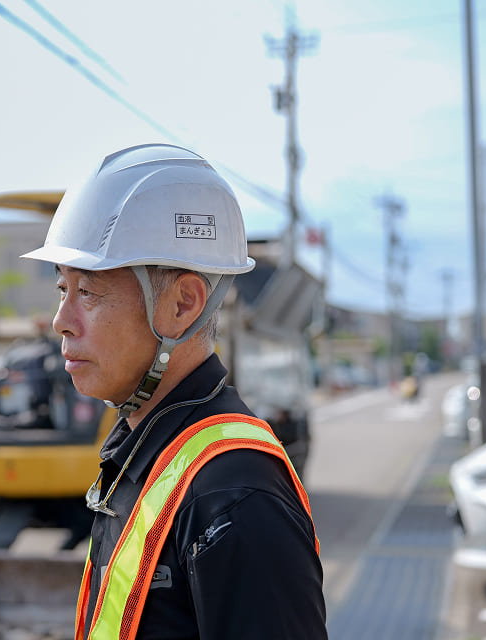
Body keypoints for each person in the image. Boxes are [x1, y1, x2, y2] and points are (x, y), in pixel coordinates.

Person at [22, 144, 327, 639]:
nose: (61, 321)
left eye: (88, 291)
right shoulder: (147, 455)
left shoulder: (235, 494)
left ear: (183, 305)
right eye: (63, 289)